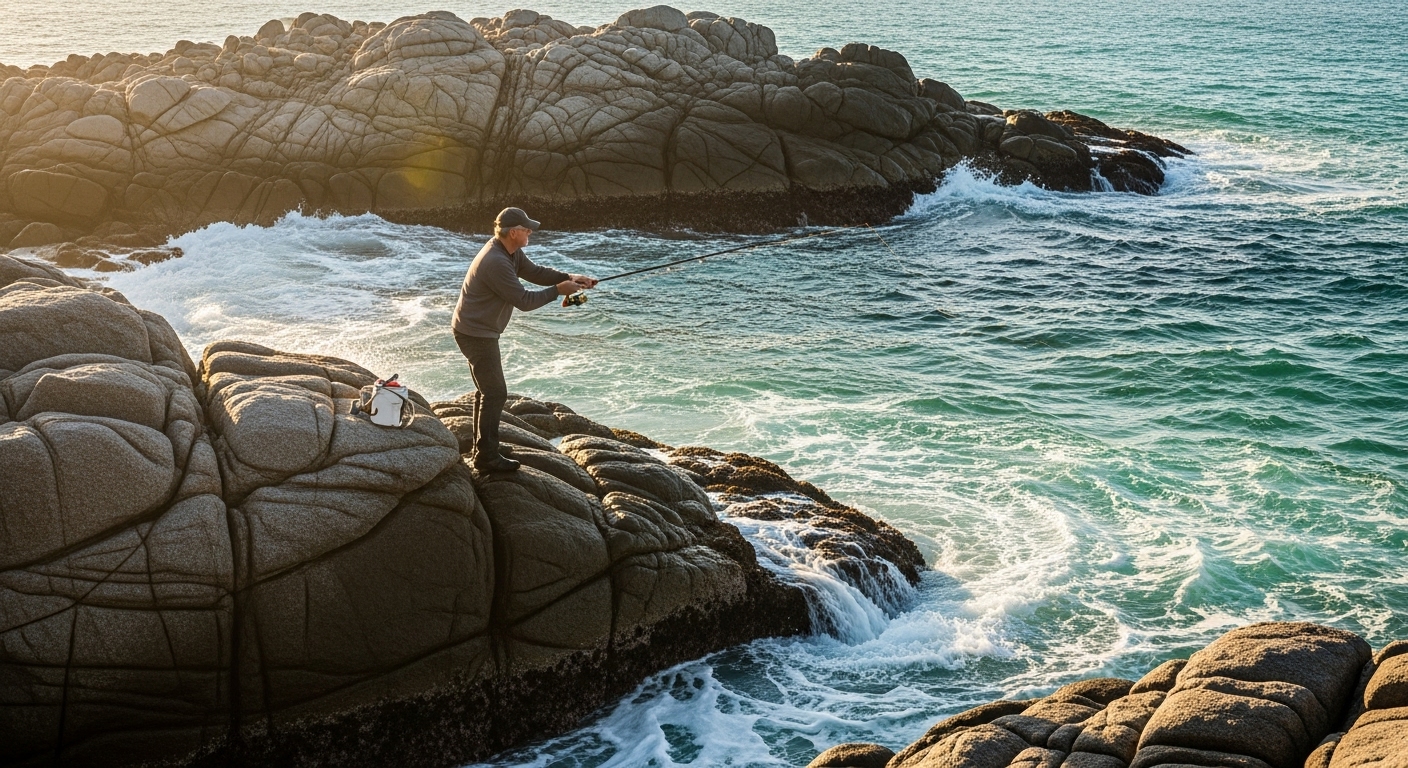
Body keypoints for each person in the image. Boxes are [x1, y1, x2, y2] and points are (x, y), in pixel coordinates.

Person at [452, 207, 597, 473]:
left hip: (478, 329)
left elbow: (536, 272)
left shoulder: (510, 251)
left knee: (487, 392)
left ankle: (484, 449)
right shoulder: (496, 261)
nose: (530, 231)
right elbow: (524, 301)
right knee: (495, 393)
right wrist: (558, 291)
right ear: (513, 233)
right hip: (475, 333)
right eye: (526, 228)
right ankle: (486, 458)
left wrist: (570, 278)